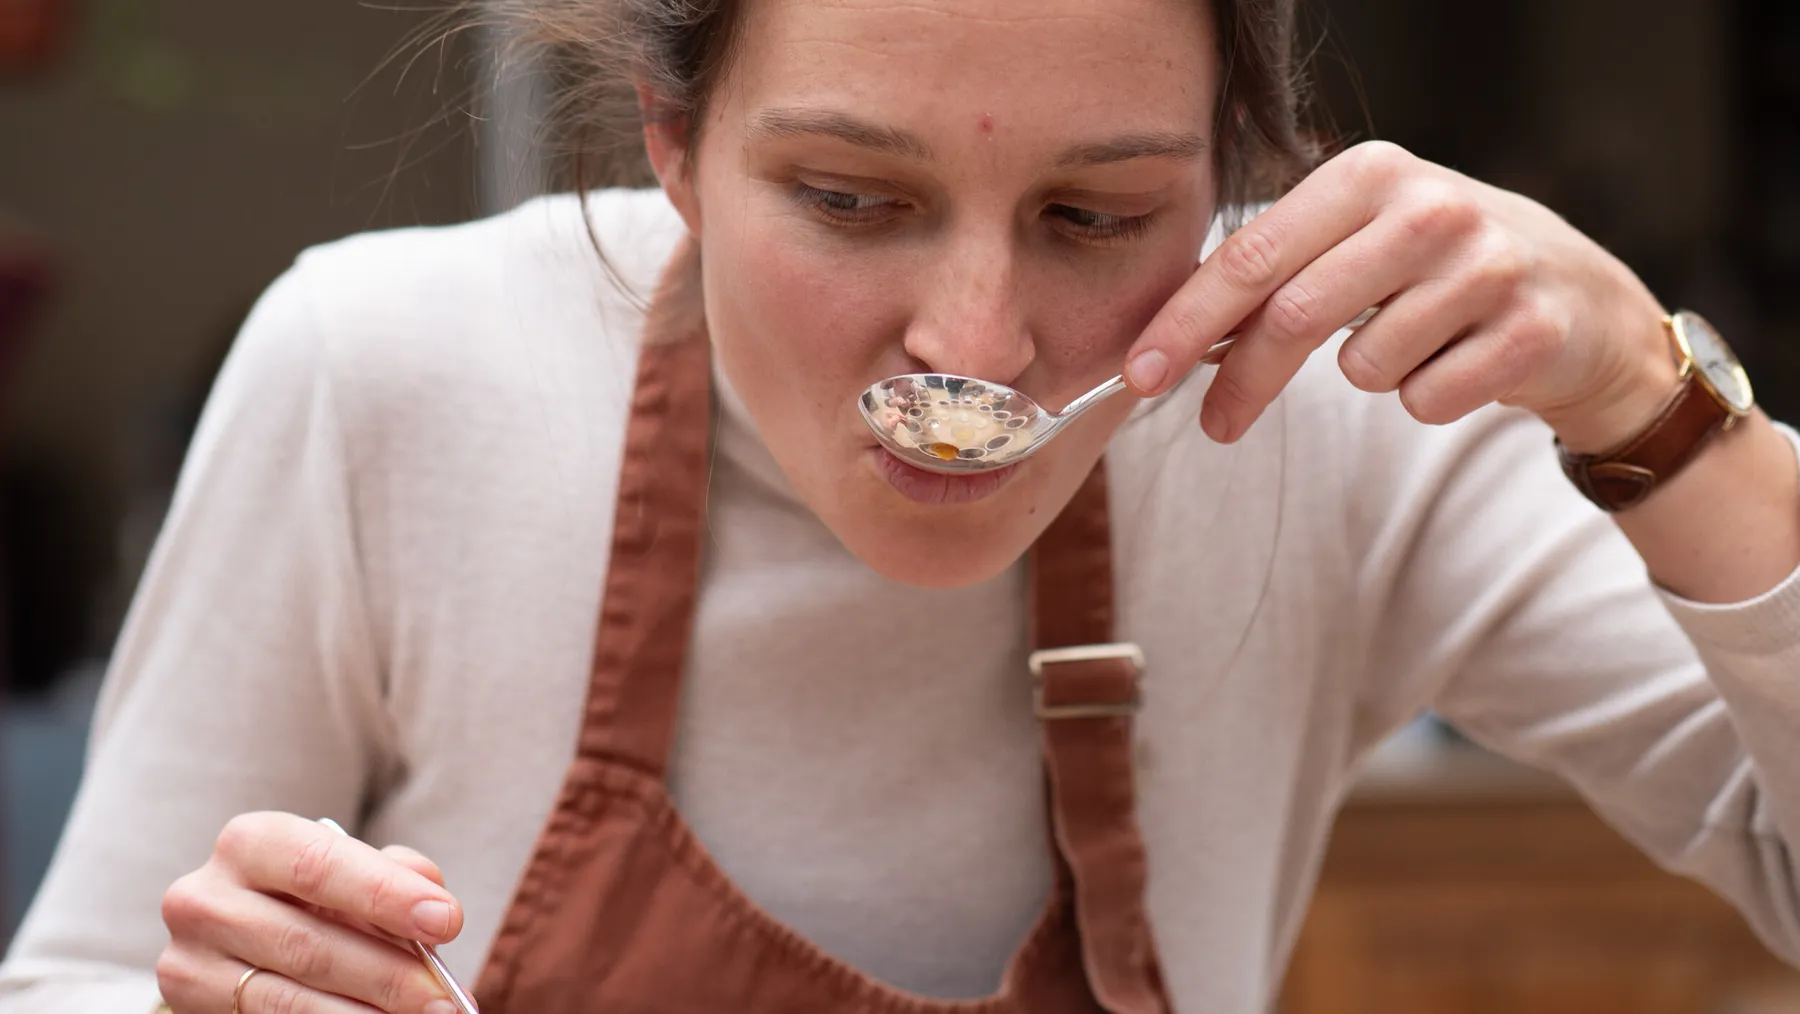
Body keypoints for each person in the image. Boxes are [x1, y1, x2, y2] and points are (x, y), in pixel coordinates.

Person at [4, 0, 1800, 1010]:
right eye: (853, 199)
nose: (979, 344)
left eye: (1099, 219)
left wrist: (1668, 414)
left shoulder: (1332, 417)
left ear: (1232, 189)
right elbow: (71, 977)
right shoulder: (385, 369)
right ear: (669, 142)